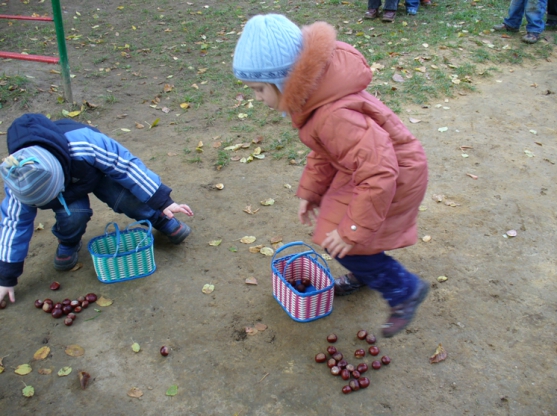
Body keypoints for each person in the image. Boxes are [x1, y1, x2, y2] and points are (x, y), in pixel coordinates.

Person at [233, 14, 429, 337]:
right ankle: (366, 272)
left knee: (344, 239)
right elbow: (327, 152)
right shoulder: (316, 100)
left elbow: (380, 172)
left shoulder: (334, 114)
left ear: (286, 80)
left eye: (258, 89)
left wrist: (351, 231)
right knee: (338, 231)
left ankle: (404, 289)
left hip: (393, 176)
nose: (257, 98)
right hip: (367, 172)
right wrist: (311, 191)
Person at [0, 114, 194, 304]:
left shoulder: (83, 144)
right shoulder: (18, 181)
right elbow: (13, 225)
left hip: (95, 172)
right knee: (73, 215)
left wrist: (163, 201)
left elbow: (127, 167)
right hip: (66, 195)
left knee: (124, 198)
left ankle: (159, 218)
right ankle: (69, 242)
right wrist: (6, 276)